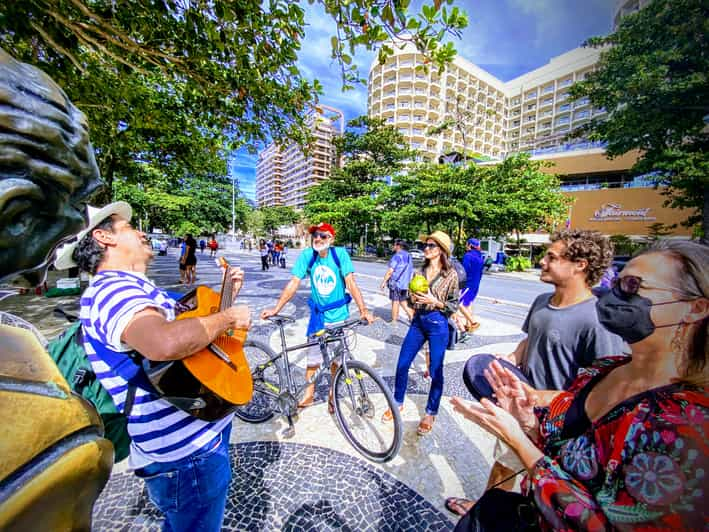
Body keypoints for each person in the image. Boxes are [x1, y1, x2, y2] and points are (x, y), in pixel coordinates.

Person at [450, 239, 708, 531]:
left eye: (634, 286)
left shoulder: (686, 424)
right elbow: (568, 452)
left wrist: (520, 443)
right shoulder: (603, 370)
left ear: (695, 308)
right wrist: (529, 424)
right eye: (618, 282)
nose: (613, 296)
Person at [62, 200, 251, 532]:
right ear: (103, 237)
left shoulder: (131, 288)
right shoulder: (114, 290)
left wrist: (226, 300)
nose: (141, 232)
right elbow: (164, 344)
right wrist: (228, 317)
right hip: (186, 454)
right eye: (129, 227)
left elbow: (191, 346)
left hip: (194, 435)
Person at [444, 229, 625, 516]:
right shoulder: (542, 301)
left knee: (541, 482)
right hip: (520, 409)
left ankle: (491, 514)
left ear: (580, 265)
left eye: (552, 257)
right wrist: (512, 357)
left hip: (560, 424)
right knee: (505, 462)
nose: (542, 261)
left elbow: (608, 392)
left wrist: (539, 397)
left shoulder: (596, 319)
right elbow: (531, 340)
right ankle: (486, 511)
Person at [260, 222, 374, 408]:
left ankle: (332, 394)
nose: (318, 239)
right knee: (313, 359)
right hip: (318, 318)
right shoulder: (307, 255)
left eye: (322, 235)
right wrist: (276, 309)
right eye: (315, 235)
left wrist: (363, 310)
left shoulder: (340, 254)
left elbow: (351, 283)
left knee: (337, 359)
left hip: (338, 316)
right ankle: (308, 395)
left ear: (331, 238)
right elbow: (294, 283)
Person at [382, 231, 459, 436]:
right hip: (418, 322)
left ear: (441, 250)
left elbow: (454, 305)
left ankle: (430, 412)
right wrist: (414, 299)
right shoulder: (419, 272)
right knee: (403, 363)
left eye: (431, 246)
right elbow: (409, 299)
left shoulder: (450, 275)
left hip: (438, 324)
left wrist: (436, 302)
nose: (426, 249)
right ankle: (398, 402)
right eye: (425, 245)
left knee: (435, 370)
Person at [380, 239, 414, 323]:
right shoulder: (409, 256)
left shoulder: (397, 256)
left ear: (398, 246)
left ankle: (394, 321)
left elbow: (390, 271)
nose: (393, 246)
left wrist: (383, 282)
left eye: (394, 245)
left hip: (396, 283)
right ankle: (412, 317)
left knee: (395, 301)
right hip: (405, 284)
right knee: (402, 301)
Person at [459, 238, 485, 331]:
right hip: (476, 284)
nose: (466, 246)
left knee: (459, 304)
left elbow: (464, 271)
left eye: (467, 244)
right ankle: (468, 325)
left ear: (470, 245)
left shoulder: (468, 256)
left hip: (468, 284)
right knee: (468, 304)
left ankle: (473, 322)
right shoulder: (480, 257)